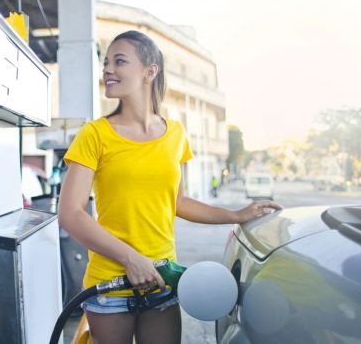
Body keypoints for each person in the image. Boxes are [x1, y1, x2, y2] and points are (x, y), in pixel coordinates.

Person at [58, 30, 282, 344]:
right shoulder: (94, 134)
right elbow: (70, 214)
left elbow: (178, 203)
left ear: (150, 71)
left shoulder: (175, 135)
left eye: (119, 61)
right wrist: (130, 258)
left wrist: (237, 214)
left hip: (161, 281)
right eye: (106, 62)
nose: (107, 69)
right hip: (110, 286)